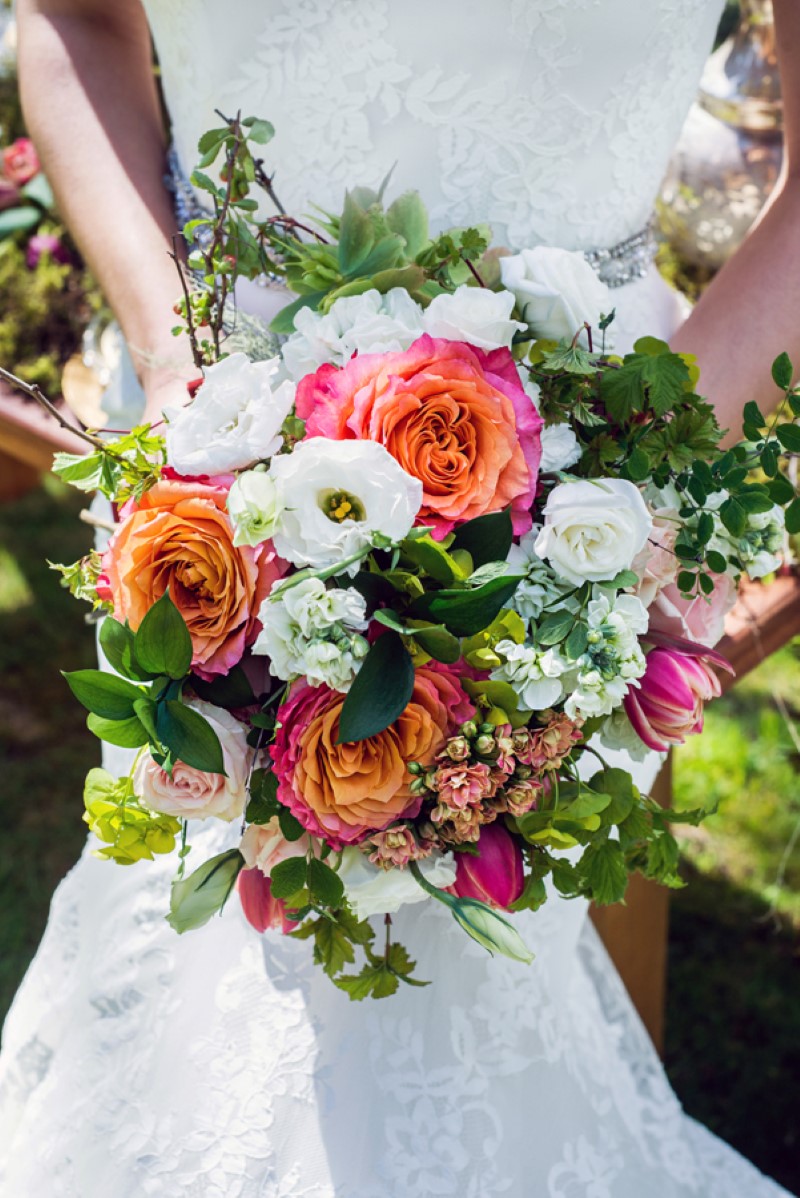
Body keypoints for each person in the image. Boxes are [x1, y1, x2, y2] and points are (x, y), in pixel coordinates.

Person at [0, 2, 796, 1194]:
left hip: (590, 494)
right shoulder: (206, 435)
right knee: (210, 958)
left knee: (469, 986)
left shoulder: (605, 509)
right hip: (226, 452)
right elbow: (76, 15)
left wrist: (637, 481)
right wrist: (180, 384)